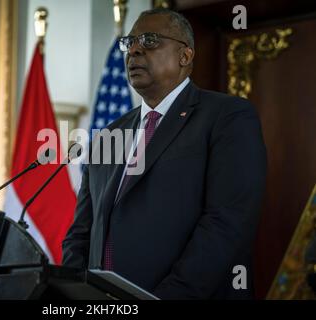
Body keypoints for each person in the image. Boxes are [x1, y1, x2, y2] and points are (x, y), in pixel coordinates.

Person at [62, 8, 267, 299]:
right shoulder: (108, 135)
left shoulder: (228, 117)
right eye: (129, 42)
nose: (133, 50)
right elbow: (80, 234)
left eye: (148, 40)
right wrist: (75, 297)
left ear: (185, 56)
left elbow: (227, 224)